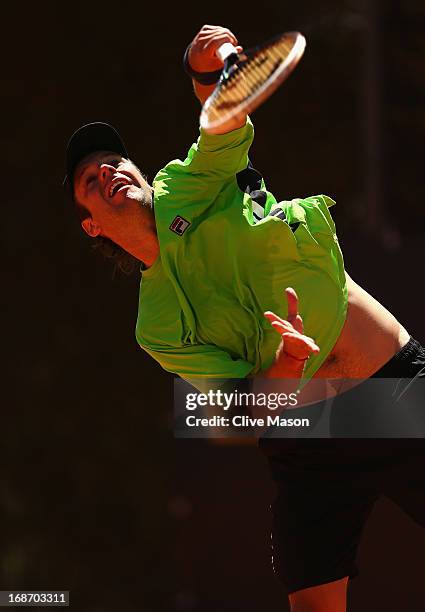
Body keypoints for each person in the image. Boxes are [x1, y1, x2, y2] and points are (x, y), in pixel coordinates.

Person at [64, 24, 425, 612]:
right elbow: (243, 409)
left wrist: (205, 68)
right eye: (90, 180)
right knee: (312, 604)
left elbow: (224, 119)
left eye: (114, 161)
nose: (108, 171)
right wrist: (286, 365)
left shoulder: (186, 183)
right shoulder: (155, 327)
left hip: (395, 389)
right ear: (92, 225)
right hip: (311, 442)